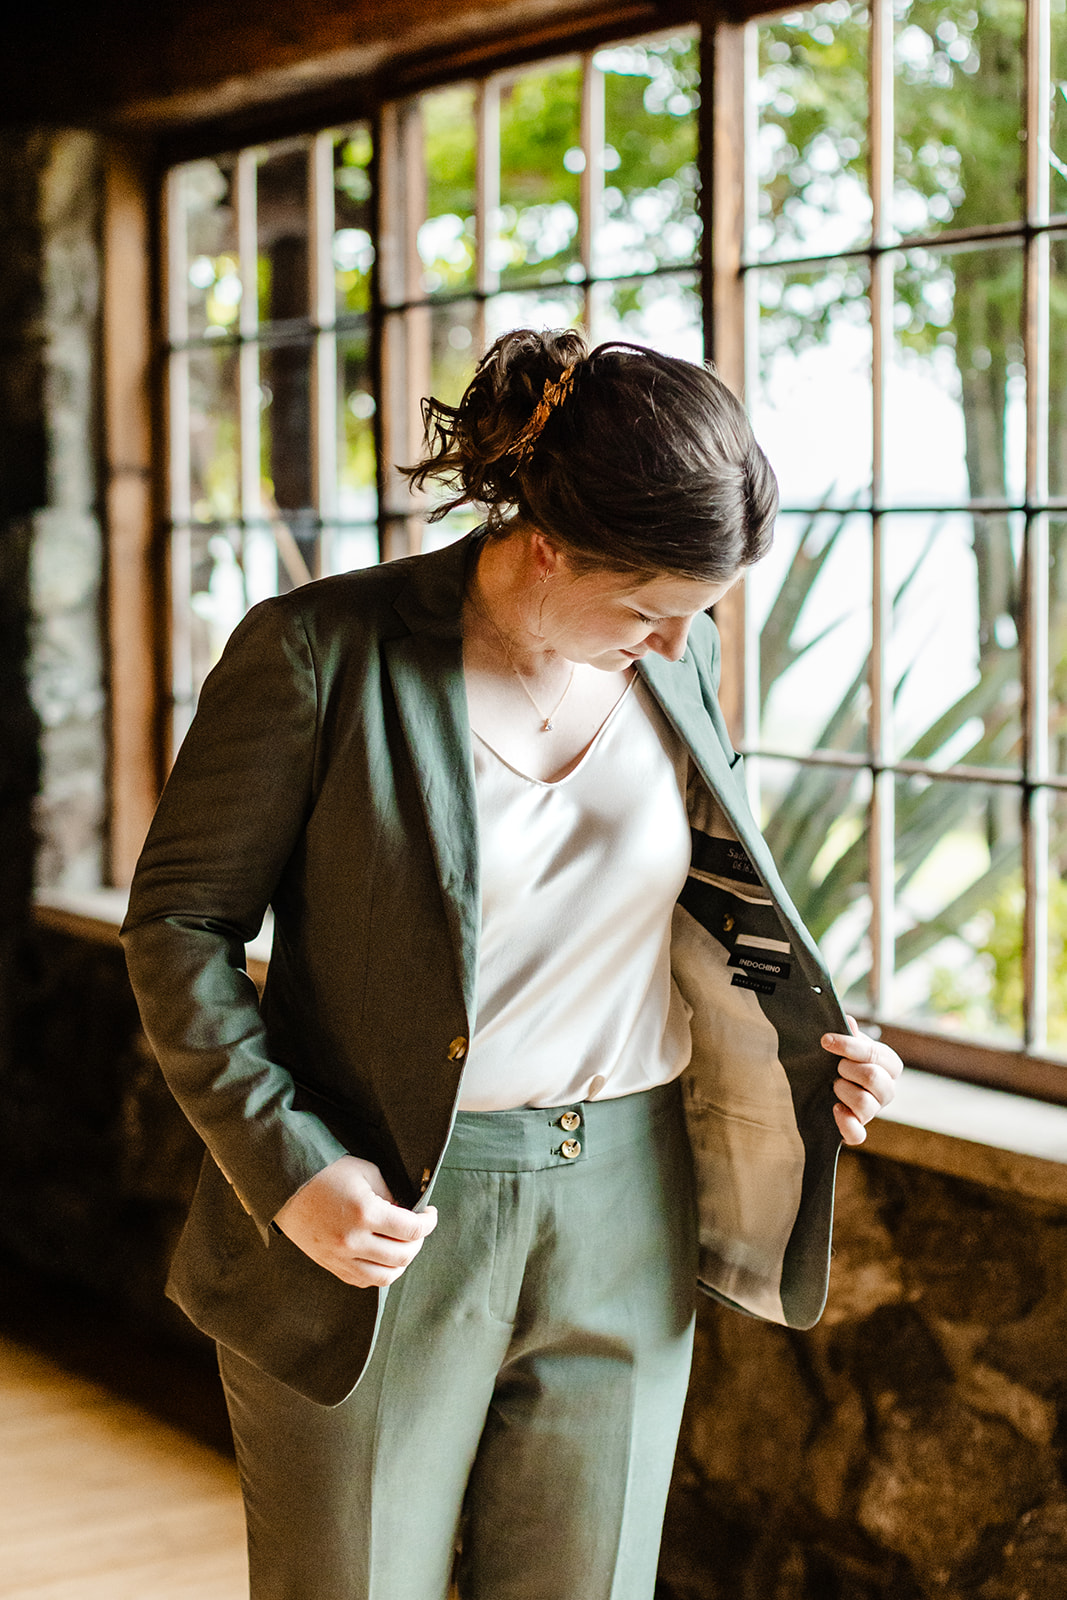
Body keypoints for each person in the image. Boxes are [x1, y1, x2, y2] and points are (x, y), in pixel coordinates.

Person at [121, 327, 901, 1600]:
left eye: (692, 617)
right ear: (545, 546)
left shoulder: (671, 655)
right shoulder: (319, 652)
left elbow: (683, 890)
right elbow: (177, 926)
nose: (670, 646)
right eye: (646, 606)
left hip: (628, 1204)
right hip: (384, 1205)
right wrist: (287, 1167)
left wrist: (804, 1035)